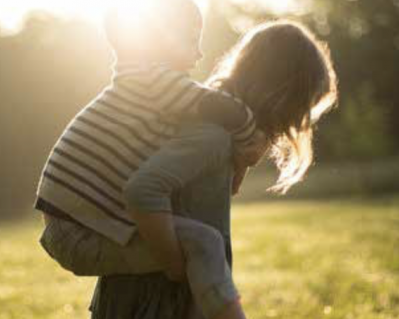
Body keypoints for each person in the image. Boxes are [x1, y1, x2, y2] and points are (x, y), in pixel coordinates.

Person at [89, 19, 338, 319]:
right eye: (301, 108)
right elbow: (144, 191)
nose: (297, 124)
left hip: (164, 294)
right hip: (153, 300)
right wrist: (177, 267)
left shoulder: (220, 135)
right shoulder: (211, 137)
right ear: (280, 95)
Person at [36, 0, 268, 318]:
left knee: (195, 244)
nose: (199, 54)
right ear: (160, 39)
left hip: (73, 228)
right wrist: (249, 140)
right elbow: (222, 107)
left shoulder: (137, 84)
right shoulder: (152, 81)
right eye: (191, 41)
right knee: (204, 242)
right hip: (79, 233)